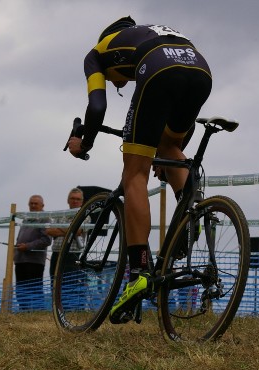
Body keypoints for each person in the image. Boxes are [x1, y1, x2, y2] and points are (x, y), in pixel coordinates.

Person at [67, 17, 212, 323]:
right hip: (200, 69)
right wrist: (166, 156)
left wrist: (85, 141)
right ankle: (191, 212)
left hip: (158, 68)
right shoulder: (148, 33)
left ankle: (138, 273)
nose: (117, 84)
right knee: (170, 148)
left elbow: (96, 108)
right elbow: (176, 135)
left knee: (134, 172)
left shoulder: (95, 55)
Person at [45, 188, 85, 307]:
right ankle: (56, 308)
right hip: (57, 253)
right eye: (72, 198)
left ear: (82, 202)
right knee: (55, 281)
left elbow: (78, 231)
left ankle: (70, 309)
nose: (75, 201)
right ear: (68, 200)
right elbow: (49, 230)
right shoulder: (60, 214)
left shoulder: (84, 215)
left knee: (71, 284)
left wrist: (61, 229)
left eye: (78, 199)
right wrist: (69, 229)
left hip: (72, 254)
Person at [14, 195, 52, 311]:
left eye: (36, 203)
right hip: (20, 260)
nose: (33, 206)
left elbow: (46, 240)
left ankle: (37, 312)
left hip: (34, 262)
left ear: (42, 205)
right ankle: (23, 311)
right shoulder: (26, 219)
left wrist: (28, 246)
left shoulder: (45, 219)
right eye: (31, 203)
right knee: (21, 290)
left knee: (34, 289)